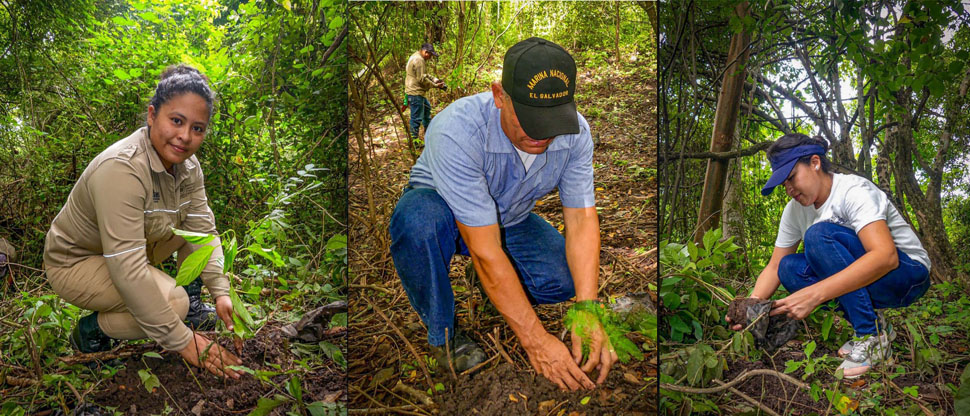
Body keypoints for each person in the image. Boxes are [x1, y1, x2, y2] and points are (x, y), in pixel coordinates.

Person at [389, 37, 615, 391]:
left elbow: (582, 221)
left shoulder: (576, 134)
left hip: (510, 221)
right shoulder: (457, 129)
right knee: (417, 223)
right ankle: (443, 335)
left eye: (551, 120)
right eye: (528, 118)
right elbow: (485, 248)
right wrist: (535, 340)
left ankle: (493, 287)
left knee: (564, 278)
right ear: (499, 96)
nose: (541, 135)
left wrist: (588, 311)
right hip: (443, 212)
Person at [44, 64, 243, 379]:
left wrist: (220, 291)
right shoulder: (121, 168)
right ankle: (91, 330)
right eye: (176, 121)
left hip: (133, 250)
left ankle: (193, 302)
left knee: (190, 226)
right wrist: (184, 341)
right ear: (152, 115)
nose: (185, 136)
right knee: (172, 305)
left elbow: (204, 232)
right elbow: (128, 270)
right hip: (77, 262)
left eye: (197, 128)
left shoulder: (188, 168)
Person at [726, 133, 931, 378]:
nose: (789, 189)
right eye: (784, 185)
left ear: (815, 163)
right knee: (789, 267)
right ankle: (876, 324)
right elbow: (774, 267)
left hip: (907, 276)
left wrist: (813, 295)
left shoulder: (854, 190)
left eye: (791, 178)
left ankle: (870, 336)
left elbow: (886, 256)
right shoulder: (795, 211)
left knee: (818, 236)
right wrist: (751, 309)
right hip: (872, 280)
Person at [405, 43, 446, 140]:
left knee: (427, 112)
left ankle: (429, 137)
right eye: (430, 55)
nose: (430, 57)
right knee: (416, 119)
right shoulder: (419, 60)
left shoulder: (416, 56)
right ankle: (414, 143)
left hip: (417, 93)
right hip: (415, 93)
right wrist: (436, 86)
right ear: (425, 52)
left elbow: (423, 75)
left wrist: (435, 79)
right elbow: (422, 79)